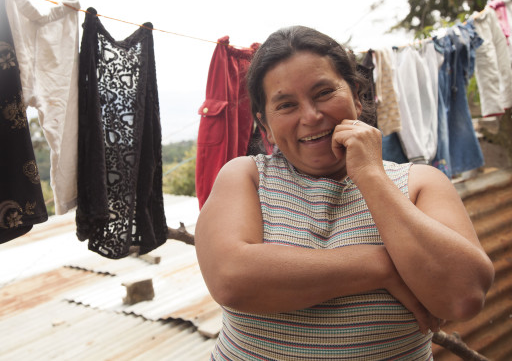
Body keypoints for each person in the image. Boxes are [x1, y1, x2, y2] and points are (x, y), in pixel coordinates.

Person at [195, 26, 494, 360]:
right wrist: (382, 265)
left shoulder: (419, 183)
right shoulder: (246, 177)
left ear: (356, 96)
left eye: (324, 93)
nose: (311, 116)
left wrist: (370, 175)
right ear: (266, 126)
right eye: (287, 105)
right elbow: (231, 279)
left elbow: (463, 296)